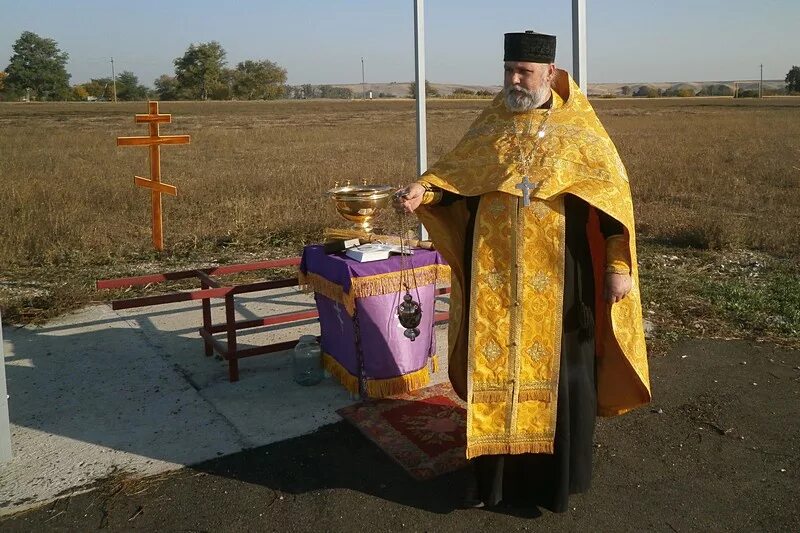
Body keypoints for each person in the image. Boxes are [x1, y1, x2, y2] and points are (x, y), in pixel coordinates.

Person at [394, 31, 651, 513]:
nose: (514, 80)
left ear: (549, 74)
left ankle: (551, 484)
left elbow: (613, 208)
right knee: (492, 365)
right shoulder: (492, 123)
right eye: (508, 70)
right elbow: (457, 181)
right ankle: (490, 483)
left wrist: (619, 266)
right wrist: (423, 193)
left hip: (561, 275)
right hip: (493, 271)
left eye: (524, 72)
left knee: (563, 373)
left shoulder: (581, 131)